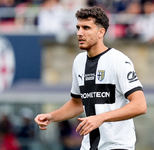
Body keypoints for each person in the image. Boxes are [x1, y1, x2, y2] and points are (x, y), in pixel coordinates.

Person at [34, 6, 147, 150]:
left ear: (101, 32)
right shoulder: (79, 62)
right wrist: (51, 116)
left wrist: (101, 117)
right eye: (78, 28)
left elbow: (140, 105)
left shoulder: (118, 61)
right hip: (88, 146)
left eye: (86, 28)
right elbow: (77, 103)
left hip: (117, 146)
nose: (79, 33)